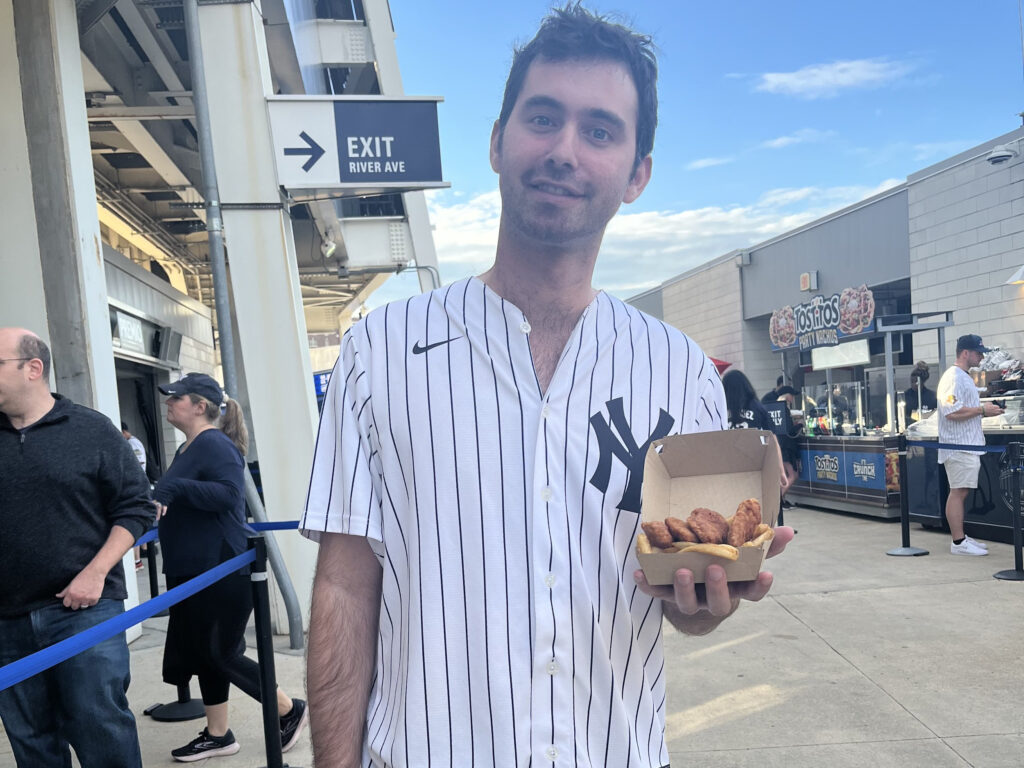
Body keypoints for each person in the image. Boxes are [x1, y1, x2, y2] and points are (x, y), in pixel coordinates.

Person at [300, 7, 794, 767]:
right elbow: (344, 589)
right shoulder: (381, 350)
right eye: (542, 118)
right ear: (498, 142)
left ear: (637, 174)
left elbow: (677, 609)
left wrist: (705, 601)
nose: (564, 150)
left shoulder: (682, 372)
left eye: (599, 130)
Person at [0, 327, 153, 768]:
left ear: (33, 369)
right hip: (6, 619)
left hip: (82, 611)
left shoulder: (91, 429)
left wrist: (96, 572)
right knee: (30, 738)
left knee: (99, 725)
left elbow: (136, 507)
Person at [152, 373, 308, 761]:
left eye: (176, 398)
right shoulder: (188, 449)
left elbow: (228, 495)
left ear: (199, 406)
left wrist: (176, 490)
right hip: (195, 571)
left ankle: (289, 710)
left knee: (222, 652)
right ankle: (218, 734)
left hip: (222, 568)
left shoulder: (214, 445)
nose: (168, 403)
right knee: (207, 653)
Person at [936, 334, 1003, 556]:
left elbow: (960, 409)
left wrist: (984, 410)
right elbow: (951, 411)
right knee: (958, 491)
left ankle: (961, 537)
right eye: (978, 352)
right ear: (965, 353)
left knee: (961, 491)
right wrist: (983, 410)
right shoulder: (952, 378)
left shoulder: (962, 377)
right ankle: (957, 542)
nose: (981, 357)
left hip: (967, 445)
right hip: (959, 446)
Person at [123, 422, 149, 570]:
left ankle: (137, 561)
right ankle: (138, 560)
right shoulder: (133, 442)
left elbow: (138, 464)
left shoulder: (133, 443)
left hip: (136, 487)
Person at [903, 361, 937, 426]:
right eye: (912, 381)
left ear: (921, 381)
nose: (913, 384)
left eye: (916, 382)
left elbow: (935, 416)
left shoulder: (932, 397)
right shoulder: (906, 396)